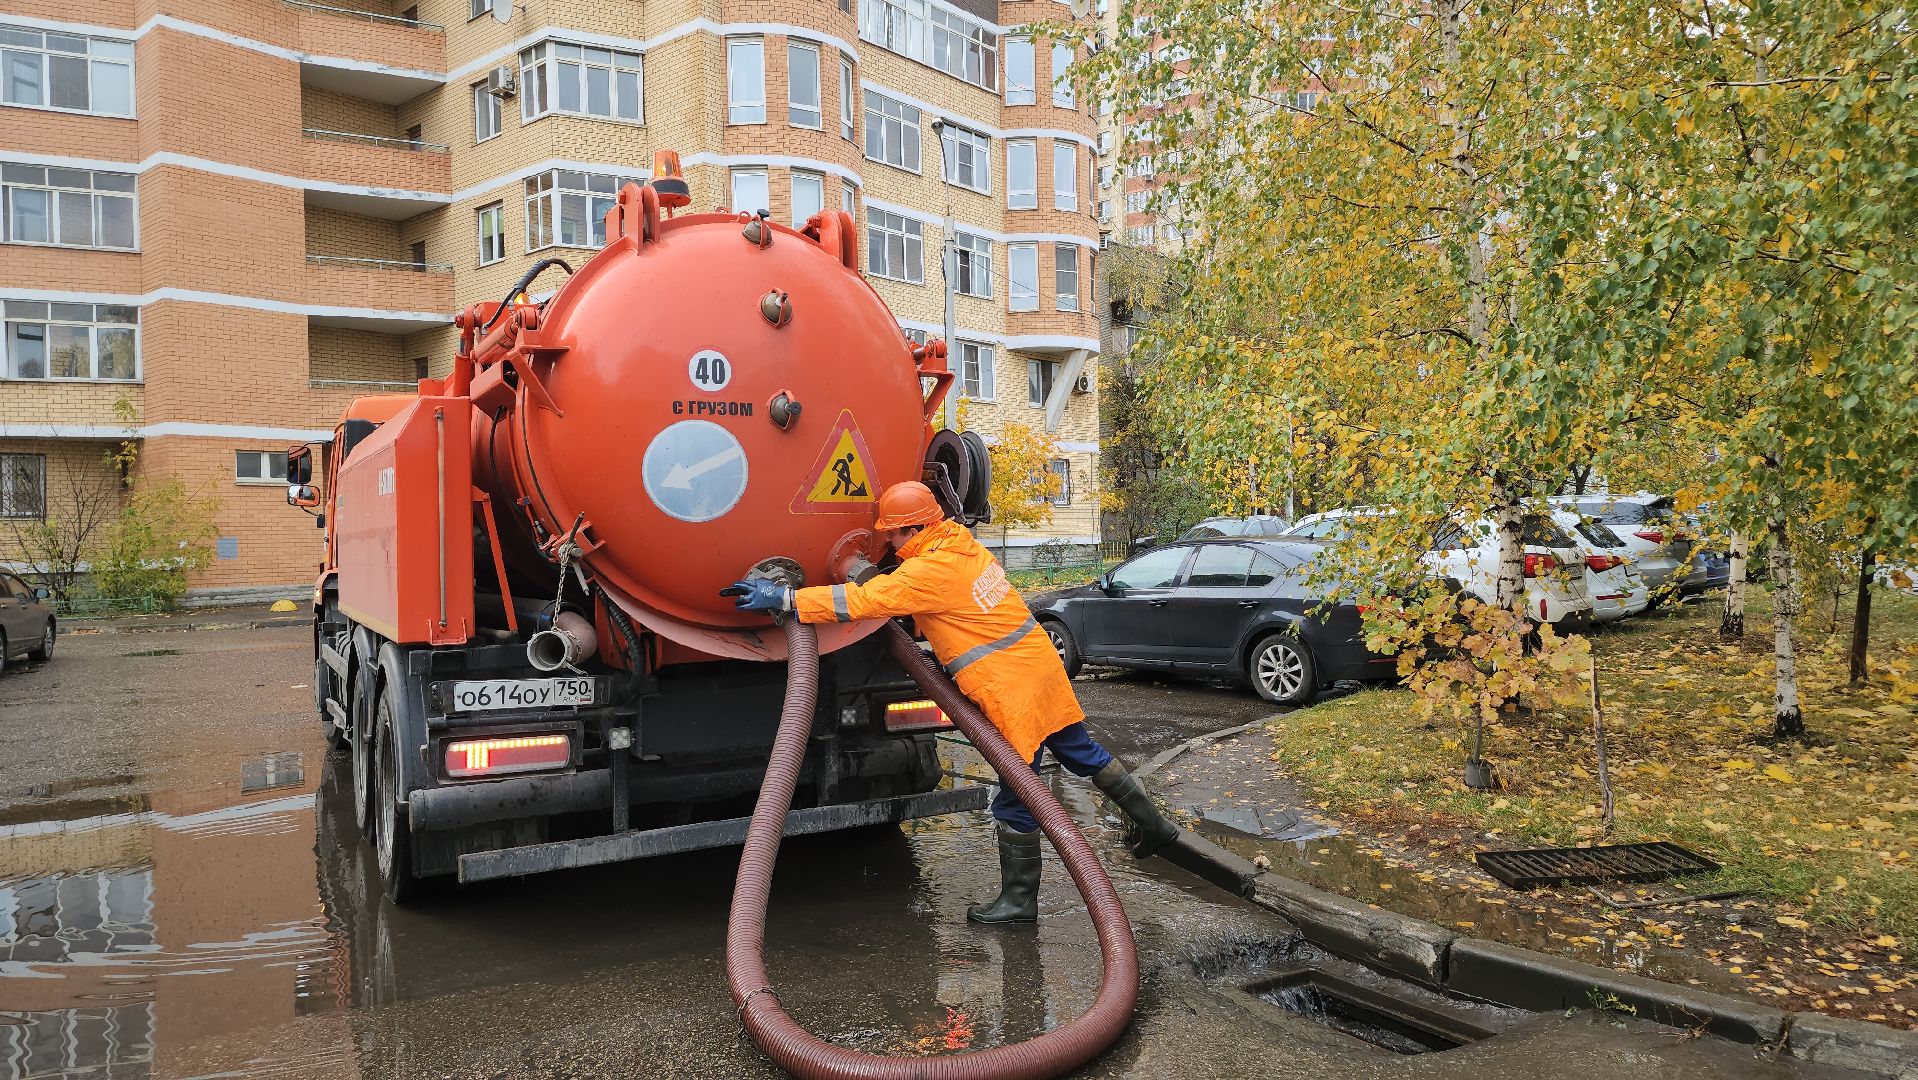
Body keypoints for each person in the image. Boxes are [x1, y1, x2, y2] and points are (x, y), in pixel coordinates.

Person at [723, 481, 1180, 924]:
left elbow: (866, 600)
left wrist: (786, 597)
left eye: (896, 534)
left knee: (1018, 793)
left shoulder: (928, 571)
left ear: (916, 530)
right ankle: (1154, 827)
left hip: (1010, 686)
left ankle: (1019, 899)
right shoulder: (961, 543)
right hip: (1037, 665)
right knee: (1082, 753)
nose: (891, 542)